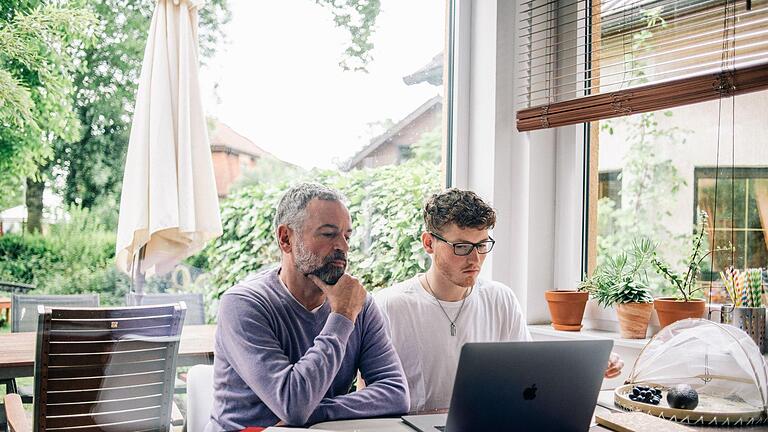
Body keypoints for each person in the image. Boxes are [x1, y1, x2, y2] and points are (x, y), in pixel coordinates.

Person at [374, 188, 623, 412]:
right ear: (429, 243)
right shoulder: (389, 305)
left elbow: (527, 380)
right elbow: (373, 397)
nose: (475, 259)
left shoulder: (500, 298)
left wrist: (587, 372)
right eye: (461, 247)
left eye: (482, 245)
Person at [206, 183, 409, 431]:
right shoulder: (243, 304)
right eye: (328, 234)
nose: (343, 247)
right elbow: (293, 405)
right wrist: (342, 316)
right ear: (286, 239)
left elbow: (396, 394)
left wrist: (320, 411)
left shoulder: (359, 304)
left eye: (347, 236)